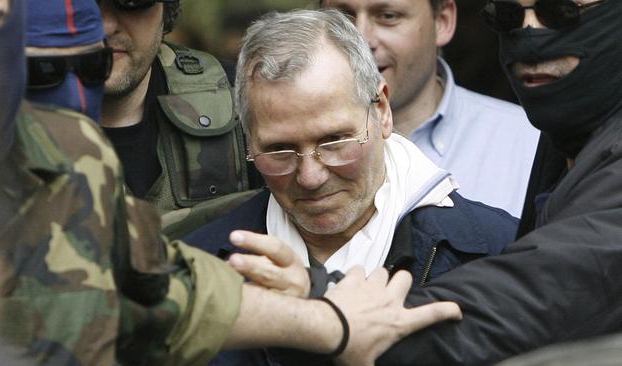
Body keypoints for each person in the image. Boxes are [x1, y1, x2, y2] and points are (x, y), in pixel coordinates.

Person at [0, 1, 462, 365]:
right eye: (41, 73)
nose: (309, 175)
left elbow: (155, 286)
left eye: (90, 68)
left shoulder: (71, 158)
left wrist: (326, 318)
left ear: (381, 110)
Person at [237, 1, 622, 364]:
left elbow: (543, 292)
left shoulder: (488, 231)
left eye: (559, 10)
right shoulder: (564, 139)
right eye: (506, 14)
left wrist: (324, 314)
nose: (530, 34)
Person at [184, 8, 517, 365]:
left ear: (382, 111)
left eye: (334, 141)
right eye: (280, 150)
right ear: (248, 140)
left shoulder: (499, 252)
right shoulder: (196, 272)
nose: (310, 177)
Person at [320, 0, 539, 217]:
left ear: (442, 22)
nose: (361, 39)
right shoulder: (291, 151)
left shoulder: (529, 144)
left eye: (388, 16)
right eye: (343, 18)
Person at [96, 0, 262, 234]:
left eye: (130, 3)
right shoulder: (27, 117)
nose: (106, 25)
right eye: (85, 5)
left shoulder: (241, 96)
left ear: (165, 8)